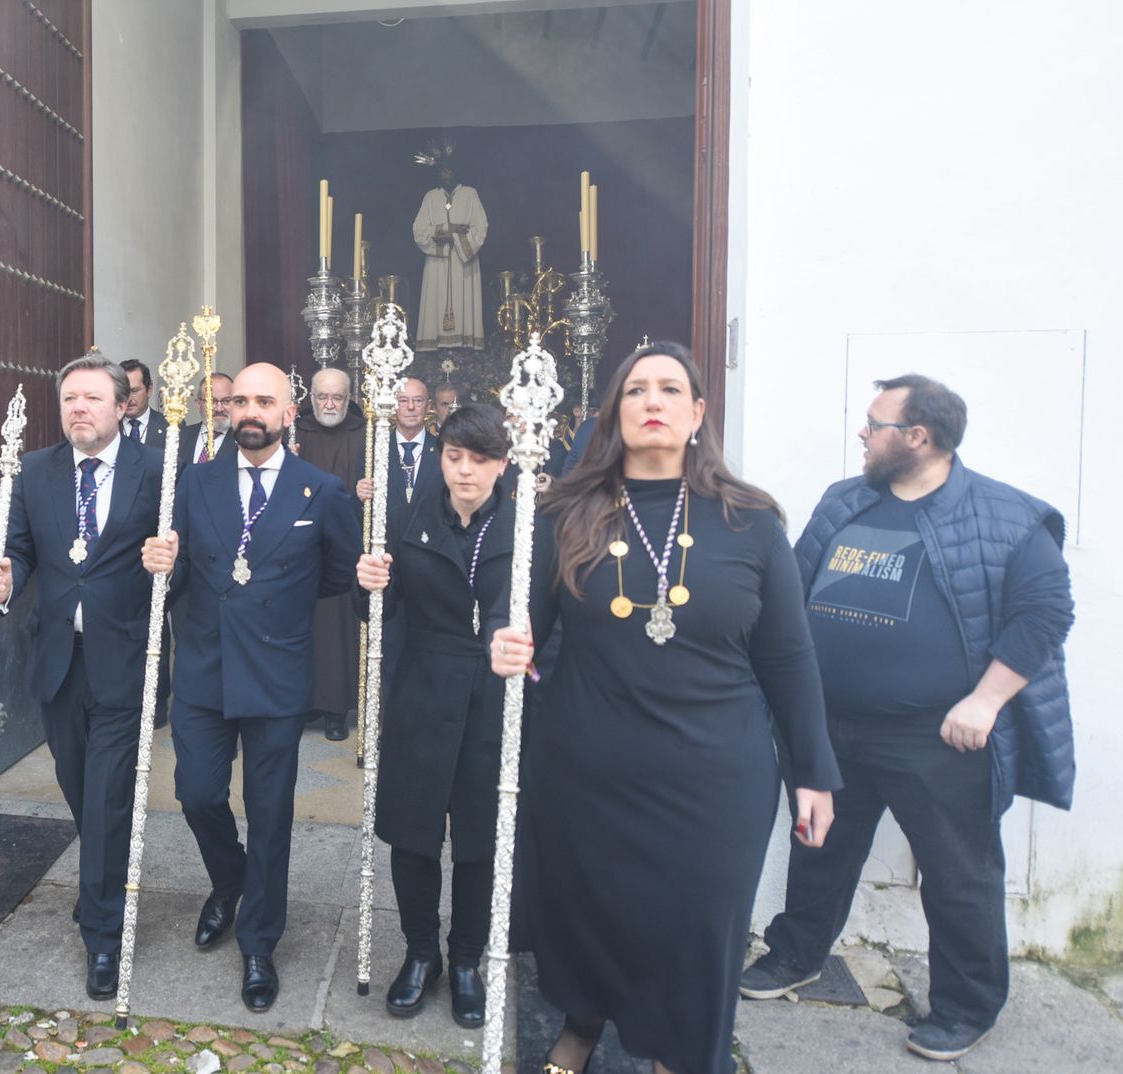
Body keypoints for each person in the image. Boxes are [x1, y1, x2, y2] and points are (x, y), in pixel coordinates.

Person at [491, 342, 840, 1074]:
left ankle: (682, 1055)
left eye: (671, 390)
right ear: (615, 414)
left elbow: (788, 656)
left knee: (695, 930)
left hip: (714, 778)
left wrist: (813, 771)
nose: (653, 401)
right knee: (595, 913)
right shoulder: (564, 513)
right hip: (588, 768)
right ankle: (583, 1024)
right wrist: (506, 644)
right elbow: (520, 620)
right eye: (636, 390)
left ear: (697, 413)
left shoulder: (751, 521)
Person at [741, 374, 1075, 1063]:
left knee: (959, 876)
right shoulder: (845, 501)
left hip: (937, 738)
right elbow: (793, 591)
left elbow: (1045, 615)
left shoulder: (1006, 517)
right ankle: (797, 954)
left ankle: (966, 1007)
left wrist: (985, 701)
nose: (862, 434)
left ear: (917, 437)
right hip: (831, 724)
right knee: (818, 847)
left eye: (875, 424)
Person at [141, 362, 360, 1012]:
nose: (250, 411)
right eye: (240, 401)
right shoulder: (195, 481)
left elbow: (338, 574)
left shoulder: (320, 491)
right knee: (197, 792)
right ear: (227, 411)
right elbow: (177, 578)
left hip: (277, 672)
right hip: (205, 671)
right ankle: (228, 878)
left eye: (264, 400)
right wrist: (164, 568)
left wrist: (282, 608)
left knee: (270, 814)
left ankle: (258, 940)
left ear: (289, 412)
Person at [0, 351, 164, 1001]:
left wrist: (173, 559)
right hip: (58, 660)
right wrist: (3, 580)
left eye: (91, 397)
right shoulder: (34, 473)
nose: (78, 408)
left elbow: (179, 554)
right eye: (69, 399)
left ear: (121, 406)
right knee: (82, 790)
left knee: (108, 794)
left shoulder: (157, 471)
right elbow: (23, 552)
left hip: (123, 656)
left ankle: (104, 935)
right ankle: (104, 875)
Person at [356, 405, 513, 1028]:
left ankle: (467, 957)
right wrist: (368, 583)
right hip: (421, 686)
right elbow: (380, 606)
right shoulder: (412, 512)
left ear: (502, 463)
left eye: (479, 460)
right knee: (414, 832)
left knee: (478, 838)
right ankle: (421, 954)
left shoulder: (527, 524)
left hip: (490, 696)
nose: (466, 472)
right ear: (440, 458)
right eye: (455, 457)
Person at [295, 367, 367, 741]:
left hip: (344, 541)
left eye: (337, 397)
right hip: (301, 545)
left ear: (348, 398)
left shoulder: (364, 433)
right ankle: (306, 702)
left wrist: (365, 491)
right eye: (322, 396)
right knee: (304, 623)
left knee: (338, 627)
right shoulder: (297, 433)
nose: (329, 403)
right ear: (311, 398)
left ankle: (337, 710)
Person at [413, 154, 487, 353]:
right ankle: (433, 350)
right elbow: (419, 230)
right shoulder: (431, 197)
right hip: (437, 263)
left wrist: (454, 239)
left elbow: (480, 228)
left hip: (464, 261)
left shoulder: (470, 194)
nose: (446, 174)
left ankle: (466, 350)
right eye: (442, 171)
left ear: (456, 171)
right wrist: (448, 228)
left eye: (449, 170)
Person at [356, 378, 440, 507]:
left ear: (428, 406)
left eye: (418, 401)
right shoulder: (375, 450)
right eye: (403, 401)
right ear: (393, 406)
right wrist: (362, 493)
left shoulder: (442, 449)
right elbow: (361, 507)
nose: (410, 407)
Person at [176, 372, 235, 479]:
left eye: (226, 401)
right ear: (198, 403)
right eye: (211, 401)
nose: (219, 409)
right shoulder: (180, 437)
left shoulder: (243, 442)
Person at [121, 358, 169, 448]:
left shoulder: (169, 425)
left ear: (149, 389)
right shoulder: (108, 427)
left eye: (134, 391)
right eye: (124, 391)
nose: (129, 399)